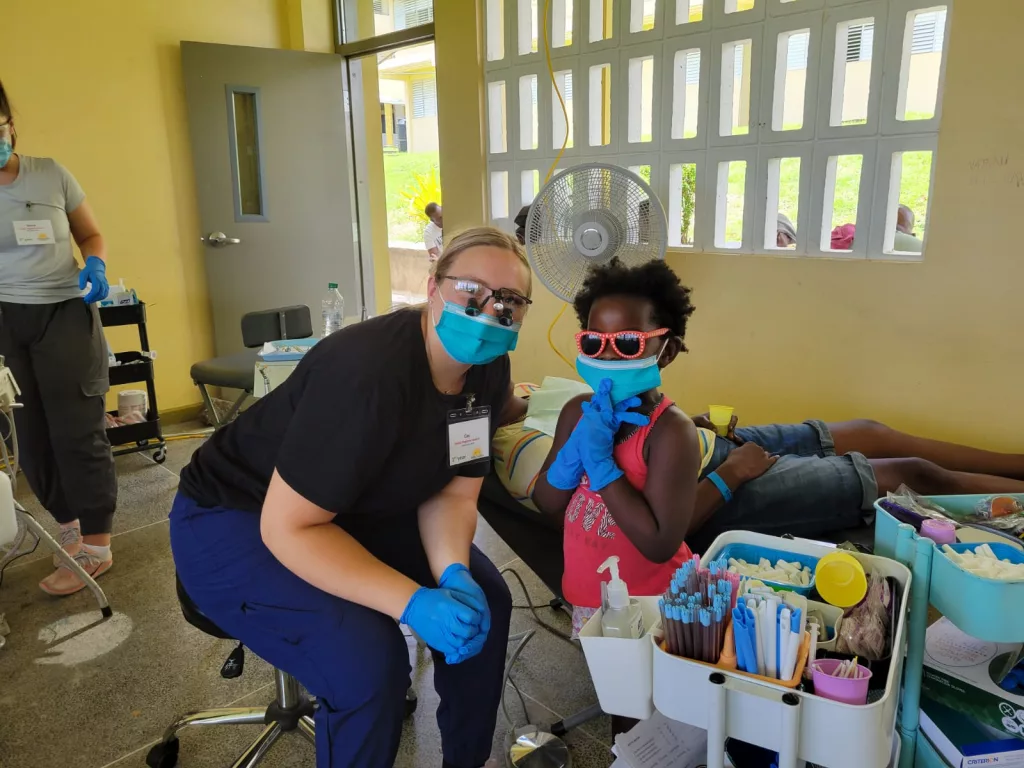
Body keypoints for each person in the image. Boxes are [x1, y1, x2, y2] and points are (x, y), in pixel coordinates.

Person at [171, 227, 533, 768]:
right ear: (432, 288)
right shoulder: (366, 373)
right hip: (237, 519)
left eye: (509, 301)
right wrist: (412, 603)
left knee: (485, 598)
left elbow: (454, 493)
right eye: (470, 290)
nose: (489, 311)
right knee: (368, 662)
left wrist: (452, 575)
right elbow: (288, 528)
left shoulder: (488, 370)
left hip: (350, 509)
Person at [531, 259, 1024, 630]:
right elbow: (562, 505)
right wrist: (580, 455)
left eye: (630, 344)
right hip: (715, 477)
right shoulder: (581, 414)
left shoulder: (669, 429)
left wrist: (605, 462)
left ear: (668, 350)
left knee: (871, 431)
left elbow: (651, 500)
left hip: (709, 448)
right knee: (914, 472)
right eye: (594, 344)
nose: (608, 355)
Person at [0, 80, 115, 596]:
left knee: (76, 426)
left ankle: (97, 545)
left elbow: (89, 232)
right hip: (4, 318)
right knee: (27, 434)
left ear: (11, 127)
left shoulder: (50, 174)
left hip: (64, 310)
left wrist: (95, 259)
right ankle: (66, 528)